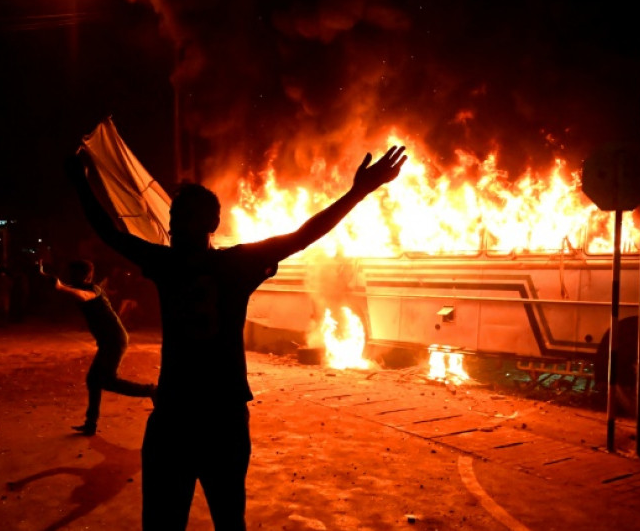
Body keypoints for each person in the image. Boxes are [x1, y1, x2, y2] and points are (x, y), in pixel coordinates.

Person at [66, 144, 406, 530]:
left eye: (181, 218)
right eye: (174, 218)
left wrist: (80, 180)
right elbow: (304, 235)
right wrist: (357, 192)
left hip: (180, 416)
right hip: (219, 418)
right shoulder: (236, 264)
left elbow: (110, 233)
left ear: (208, 224)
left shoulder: (168, 263)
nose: (173, 226)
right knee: (228, 521)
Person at [38, 259, 156, 435]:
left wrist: (62, 288)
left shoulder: (93, 289)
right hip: (108, 340)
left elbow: (83, 296)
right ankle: (90, 424)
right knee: (94, 380)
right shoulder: (78, 287)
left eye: (74, 273)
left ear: (86, 275)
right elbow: (60, 283)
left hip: (114, 339)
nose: (70, 276)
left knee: (107, 381)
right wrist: (43, 273)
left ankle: (152, 390)